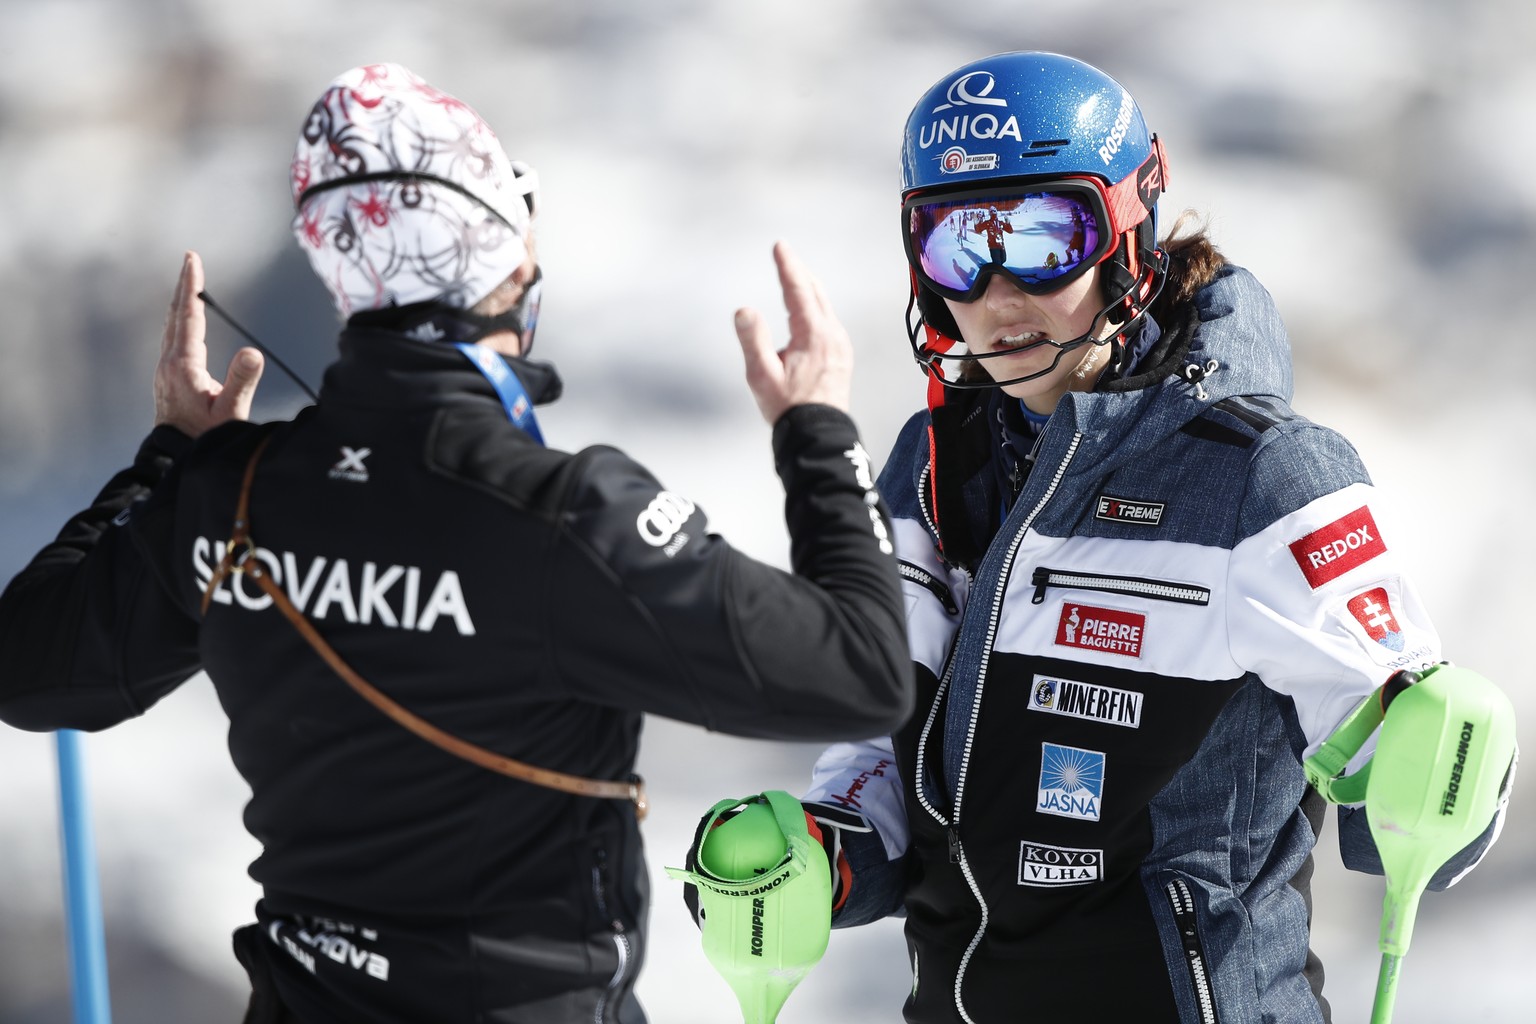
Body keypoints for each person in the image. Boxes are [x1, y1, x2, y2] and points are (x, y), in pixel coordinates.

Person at [0, 63, 914, 1023]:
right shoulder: (566, 517)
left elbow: (29, 669)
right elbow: (860, 670)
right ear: (500, 274)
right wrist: (816, 431)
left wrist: (168, 459)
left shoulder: (232, 493)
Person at [692, 51, 1515, 1022]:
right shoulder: (929, 466)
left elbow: (1427, 801)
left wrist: (1431, 755)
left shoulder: (1256, 476)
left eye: (1044, 238)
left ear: (1128, 233)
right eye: (961, 246)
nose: (1000, 295)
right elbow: (890, 728)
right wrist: (826, 850)